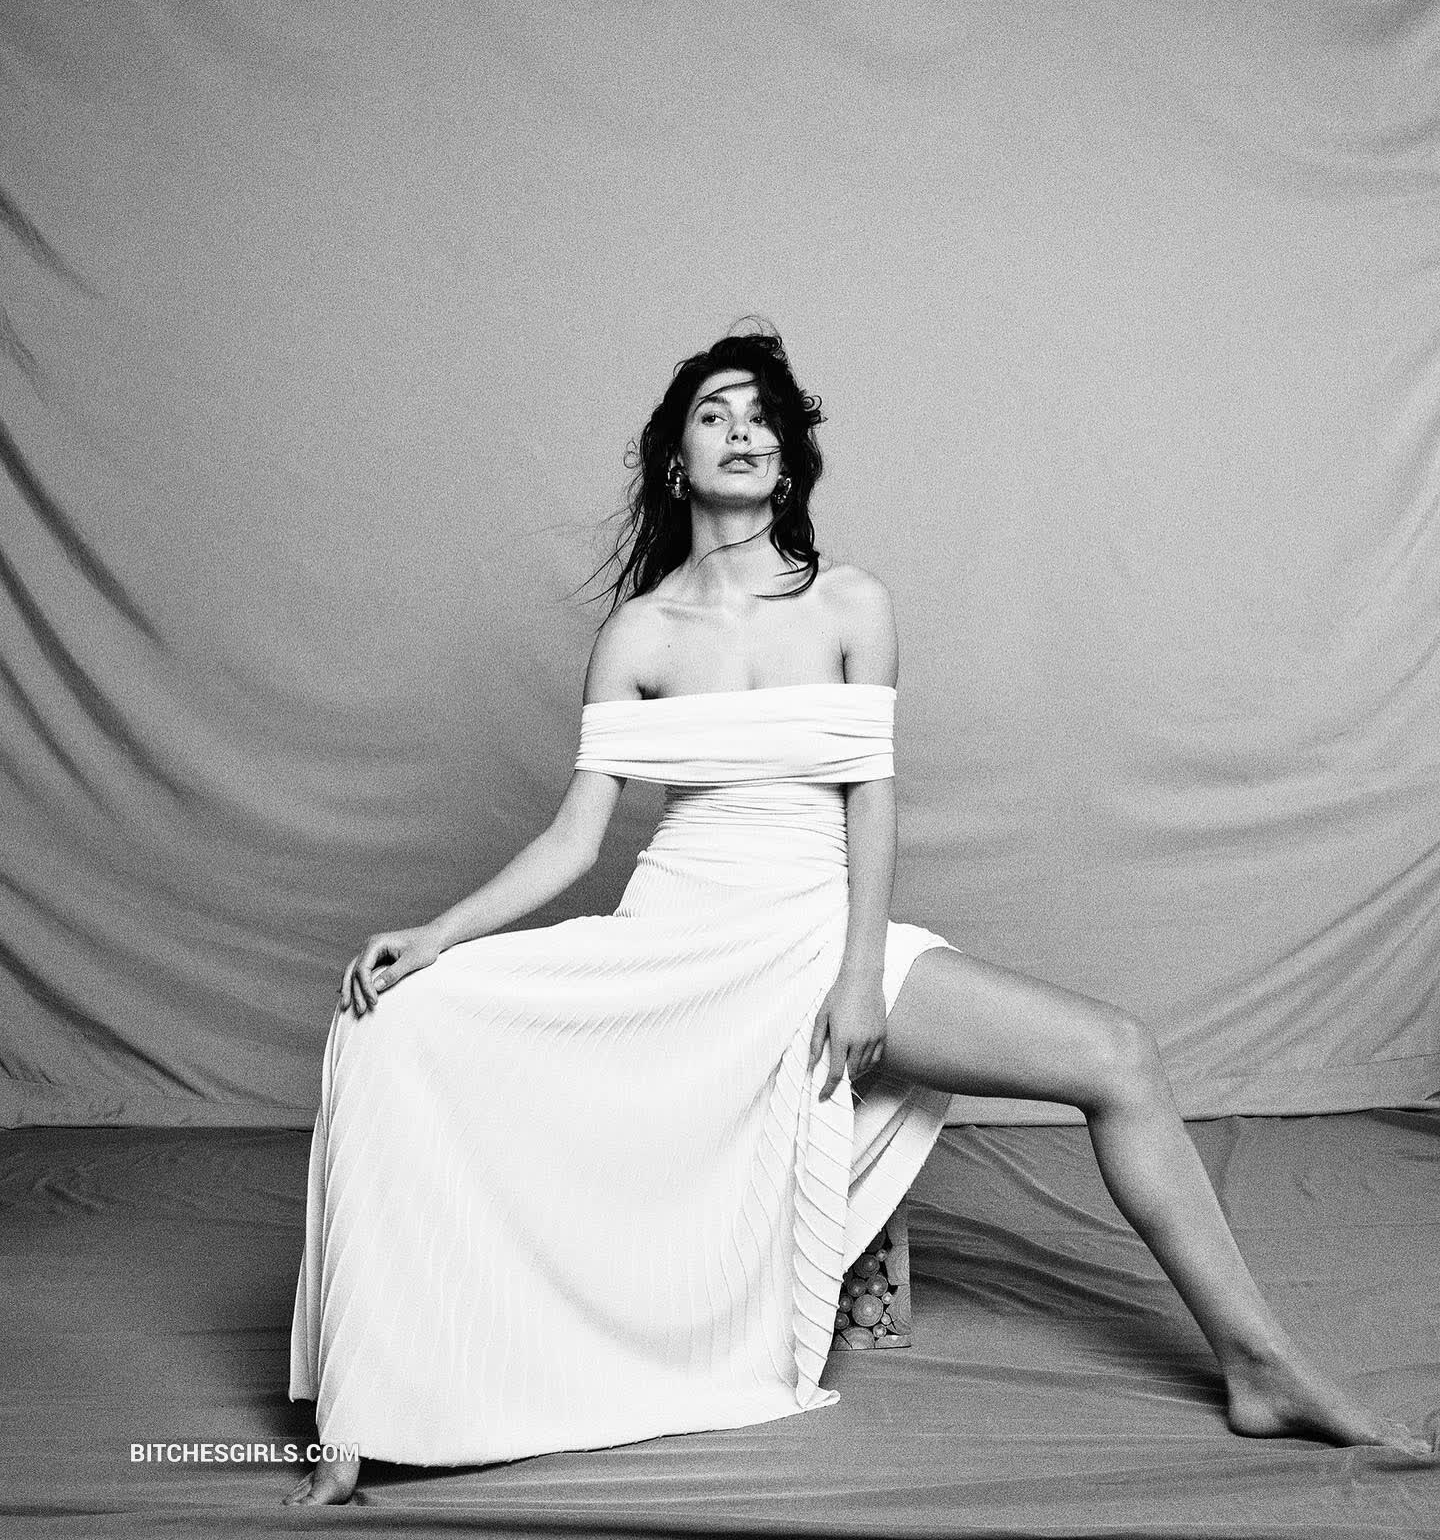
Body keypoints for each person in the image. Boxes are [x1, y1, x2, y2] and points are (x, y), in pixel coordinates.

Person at [286, 326, 1435, 1505]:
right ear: (677, 459)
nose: (744, 431)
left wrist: (854, 973)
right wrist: (437, 935)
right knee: (398, 1024)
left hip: (817, 930)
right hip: (678, 943)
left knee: (1115, 1054)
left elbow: (871, 803)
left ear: (788, 460)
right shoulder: (639, 634)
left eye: (763, 417)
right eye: (716, 414)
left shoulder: (850, 604)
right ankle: (368, 1406)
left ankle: (1260, 1365)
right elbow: (577, 837)